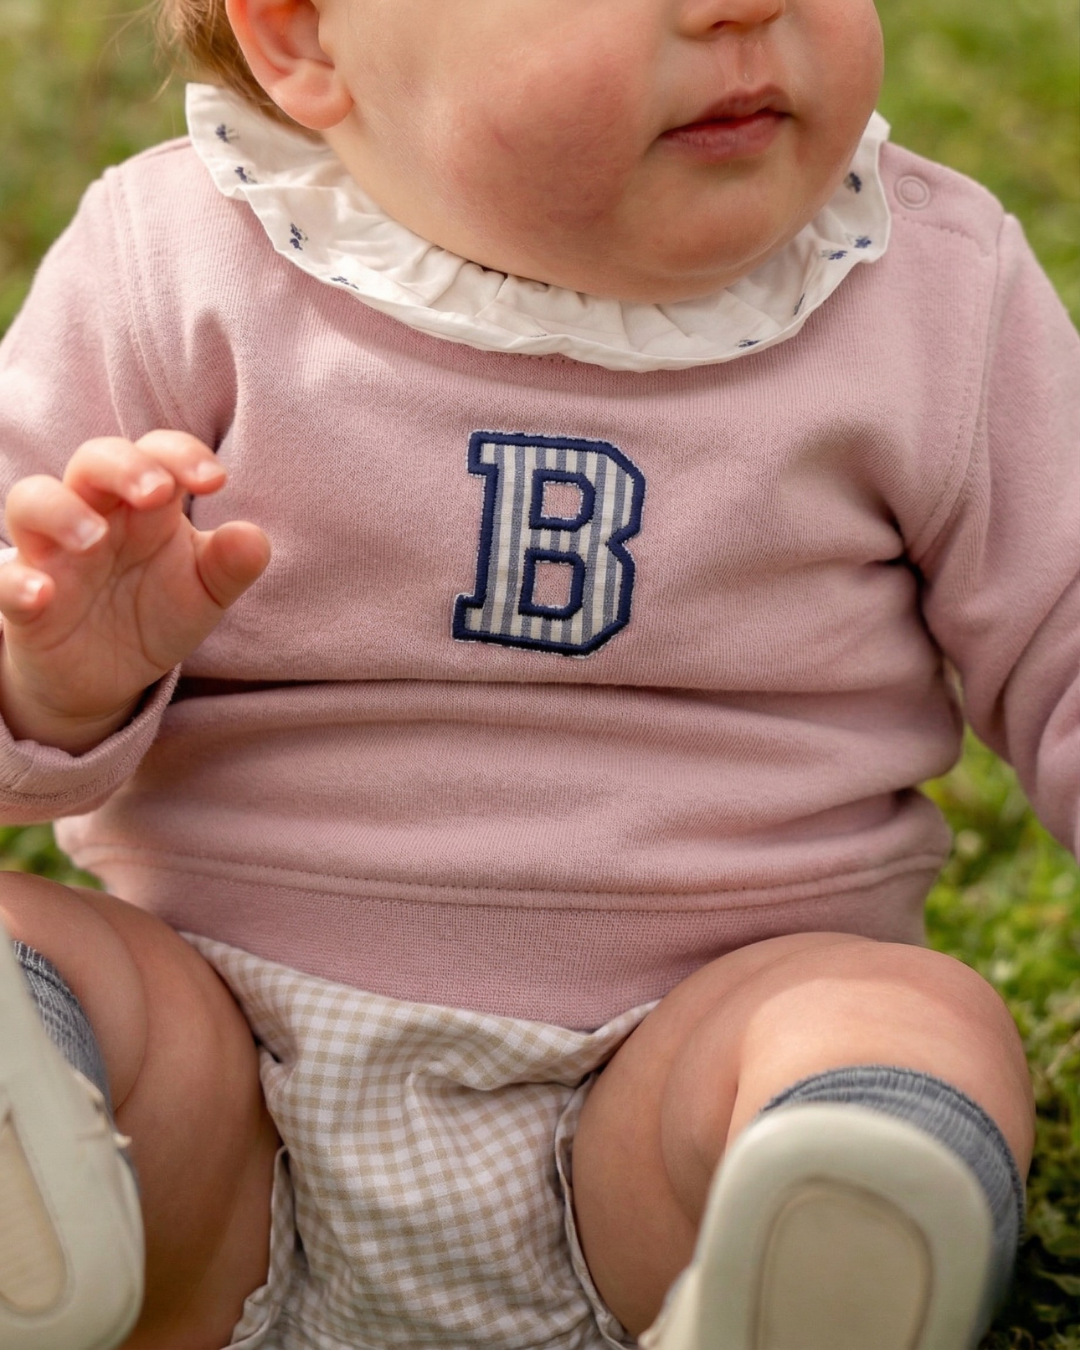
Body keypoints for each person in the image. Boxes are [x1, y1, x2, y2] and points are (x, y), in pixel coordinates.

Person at [0, 0, 1075, 1346]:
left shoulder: (932, 289)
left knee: (906, 1022)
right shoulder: (168, 261)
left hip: (683, 1085)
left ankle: (830, 1216)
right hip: (213, 1098)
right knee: (34, 961)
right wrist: (53, 670)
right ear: (302, 40)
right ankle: (38, 1211)